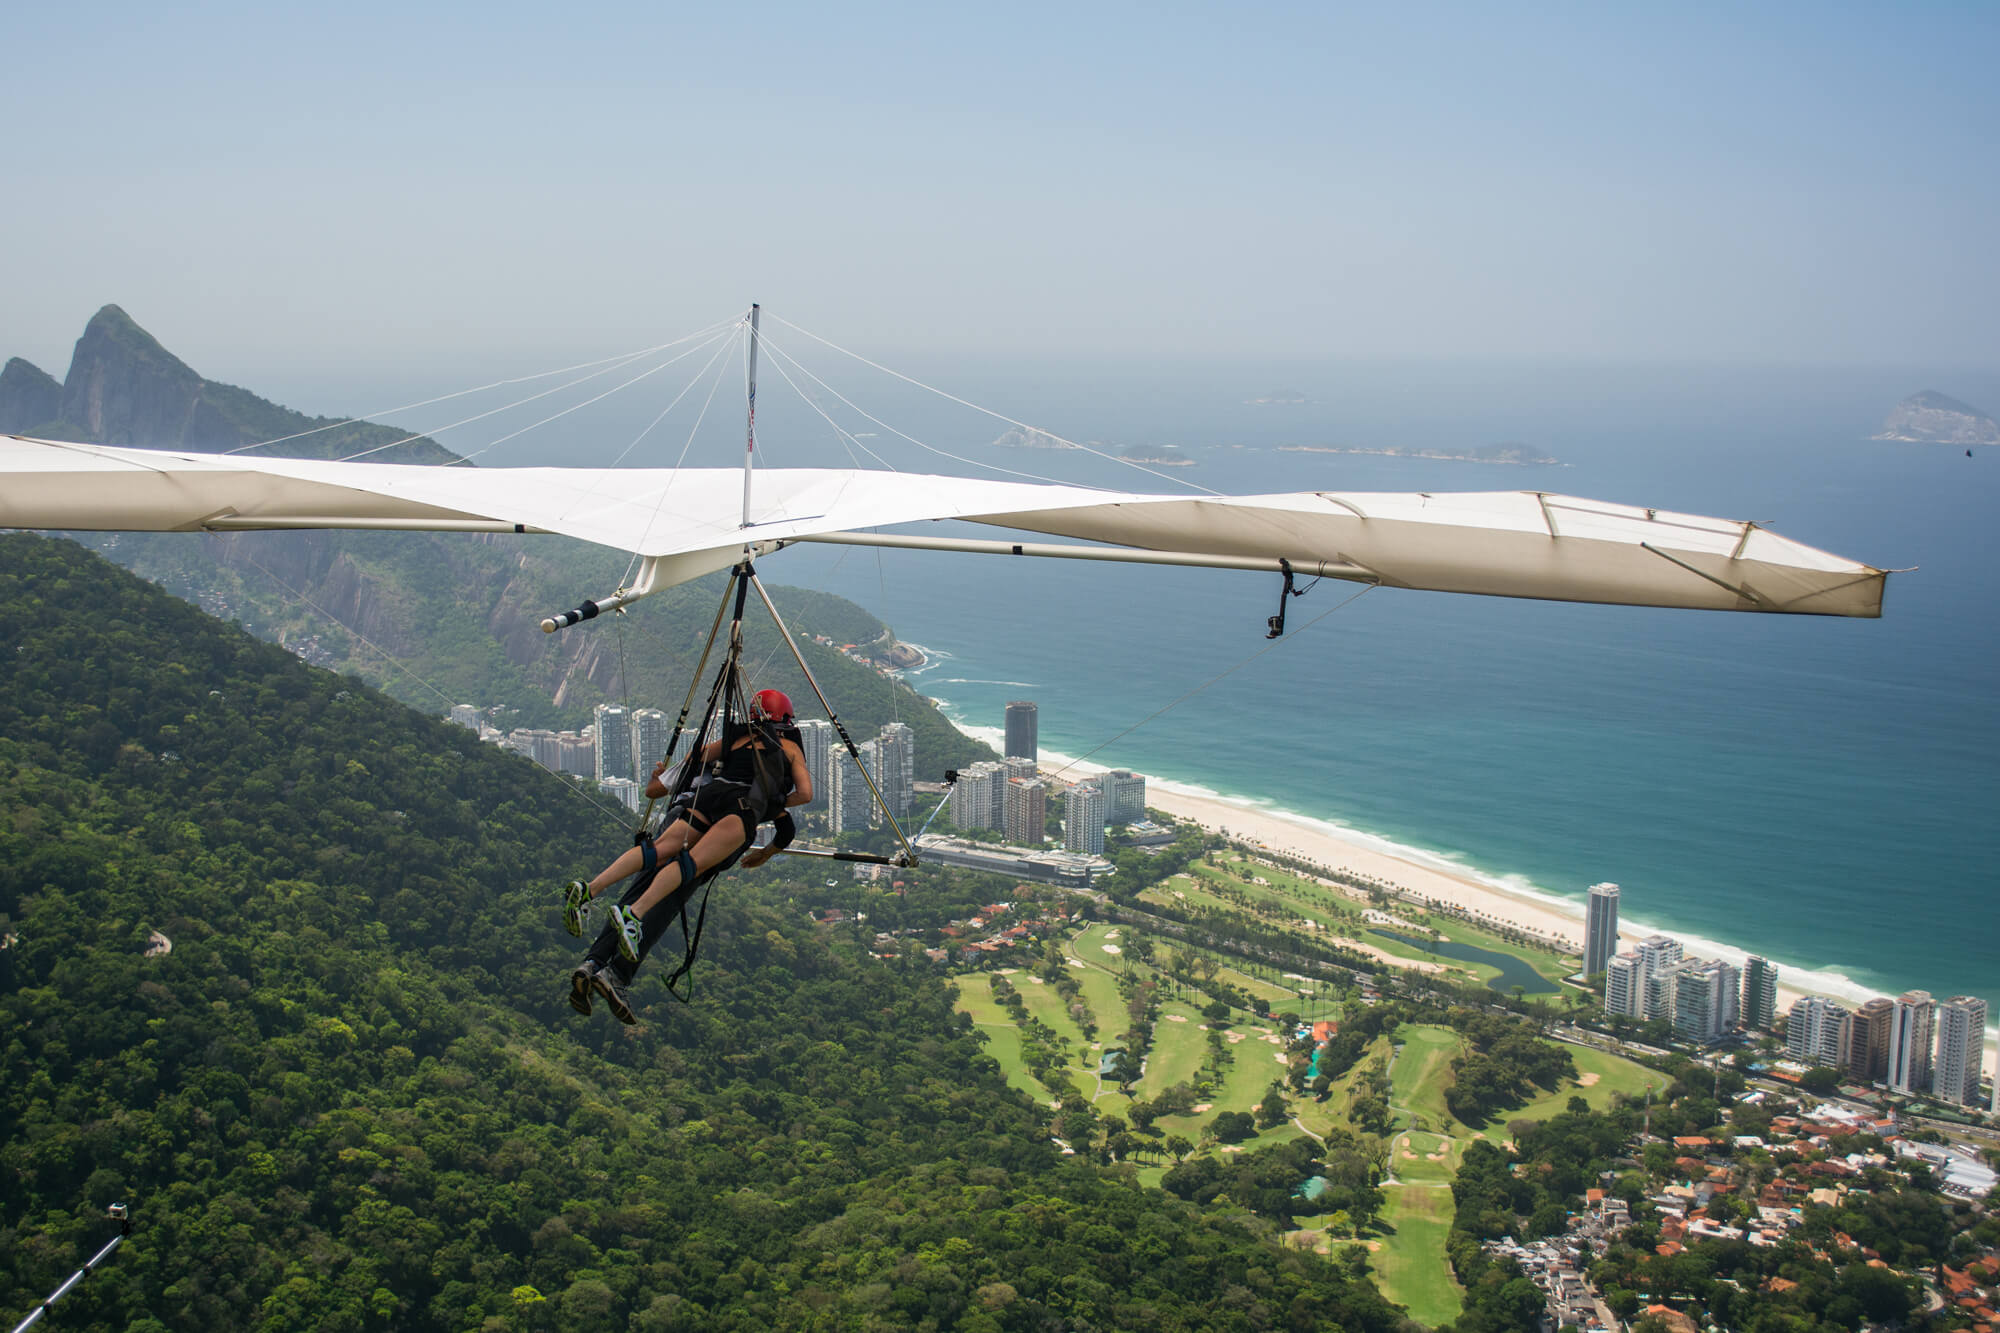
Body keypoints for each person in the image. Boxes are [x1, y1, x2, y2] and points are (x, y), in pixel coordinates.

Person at [560, 688, 813, 1020]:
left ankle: (592, 949)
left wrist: (657, 778)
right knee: (665, 898)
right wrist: (770, 812)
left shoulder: (726, 746)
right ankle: (616, 974)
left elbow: (656, 788)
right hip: (731, 819)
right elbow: (800, 803)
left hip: (688, 815)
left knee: (644, 876)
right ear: (784, 719)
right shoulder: (780, 754)